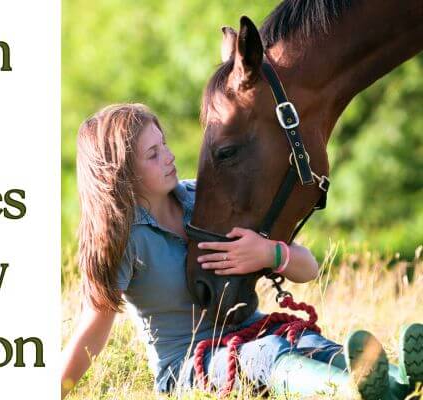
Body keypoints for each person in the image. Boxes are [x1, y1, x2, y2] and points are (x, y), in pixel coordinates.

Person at [60, 103, 423, 400]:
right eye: (153, 154)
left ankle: (400, 382)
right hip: (189, 365)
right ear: (122, 174)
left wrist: (269, 254)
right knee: (266, 355)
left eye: (164, 144)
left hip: (254, 329)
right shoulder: (123, 240)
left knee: (308, 341)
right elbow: (93, 328)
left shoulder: (203, 198)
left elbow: (309, 268)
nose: (170, 156)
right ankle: (350, 393)